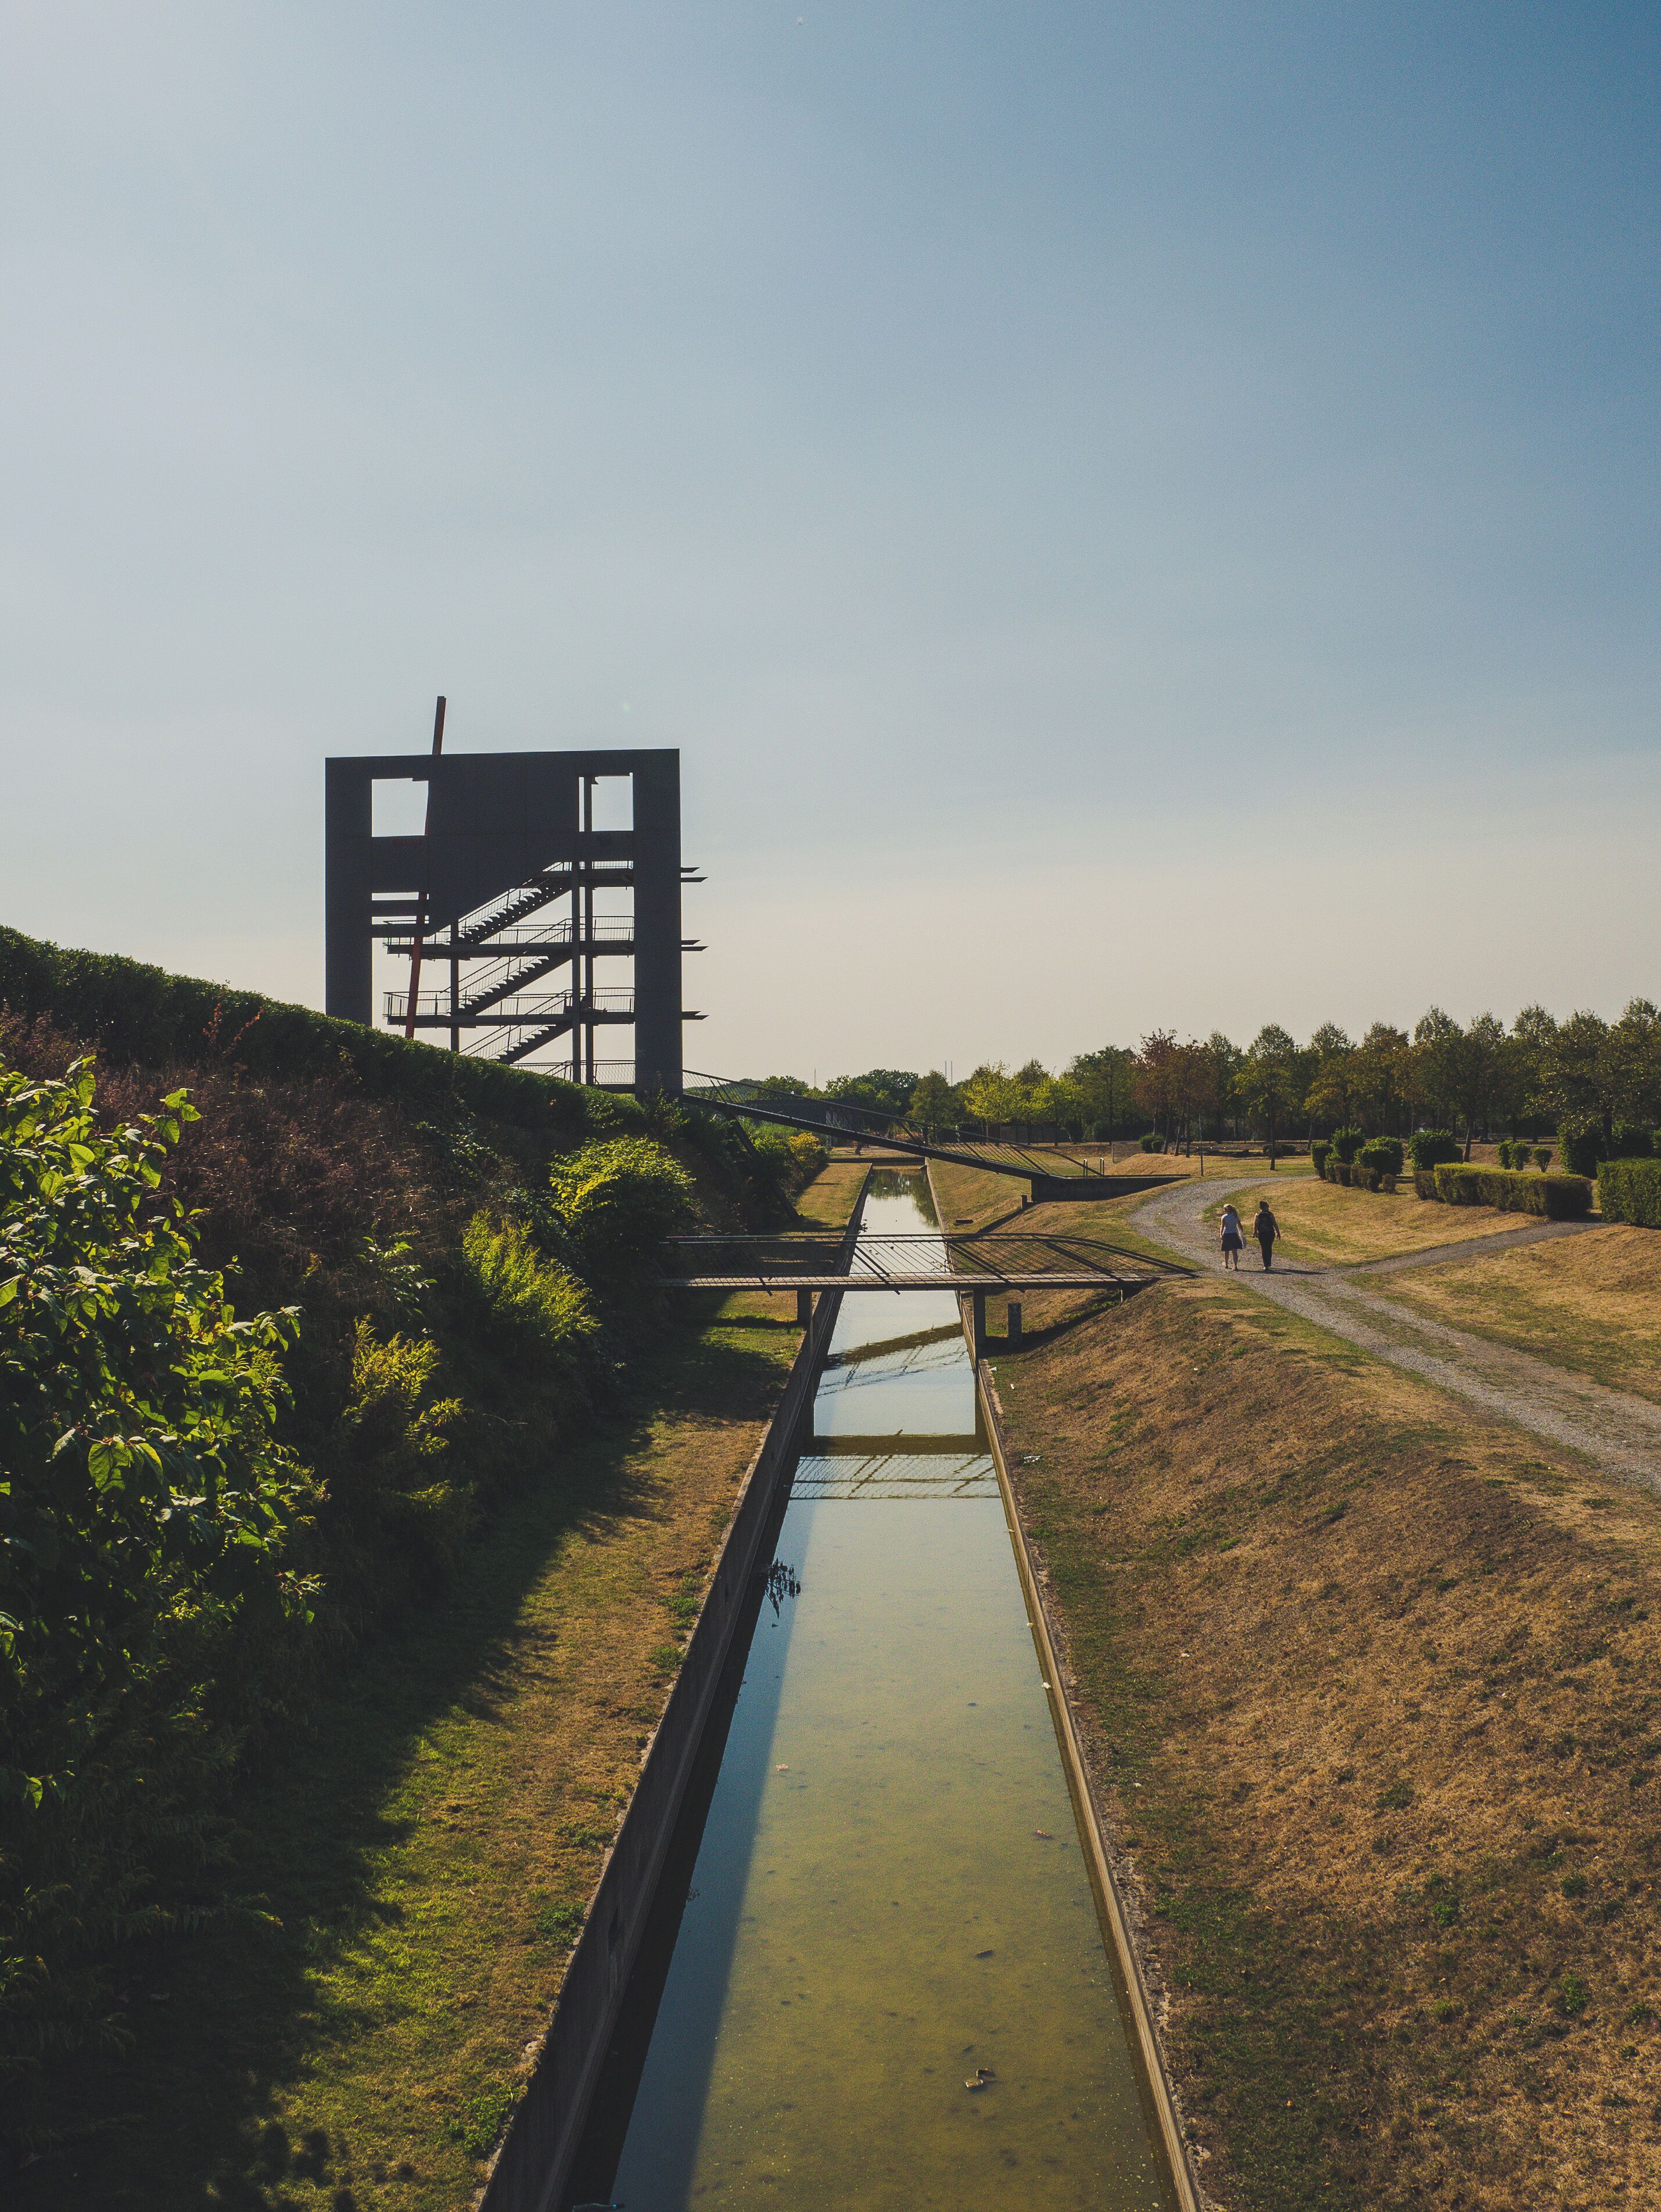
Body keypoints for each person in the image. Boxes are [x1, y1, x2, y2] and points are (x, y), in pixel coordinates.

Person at [1253, 1198, 1280, 1271]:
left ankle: (1266, 1265)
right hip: (1270, 1233)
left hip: (1261, 1234)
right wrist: (1278, 1233)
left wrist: (1255, 1232)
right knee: (1269, 1248)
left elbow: (1255, 1224)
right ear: (1266, 1207)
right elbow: (1274, 1224)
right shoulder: (1270, 1214)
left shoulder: (1258, 1215)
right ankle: (1269, 1263)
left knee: (1264, 1248)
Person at [1218, 1203, 1244, 1270]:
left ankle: (1226, 1264)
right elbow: (1240, 1226)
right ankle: (1235, 1265)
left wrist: (1221, 1234)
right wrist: (1241, 1233)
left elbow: (1222, 1226)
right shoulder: (1236, 1216)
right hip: (1234, 1234)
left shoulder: (1225, 1217)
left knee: (1226, 1251)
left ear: (1226, 1210)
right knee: (1234, 1251)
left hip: (1227, 1234)